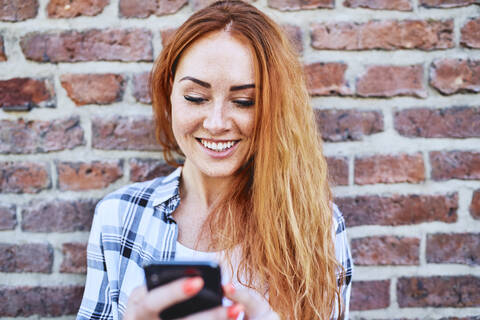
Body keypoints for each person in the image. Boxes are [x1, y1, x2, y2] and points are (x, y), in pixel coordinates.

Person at [76, 1, 353, 319]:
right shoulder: (120, 217)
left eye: (245, 101)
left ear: (274, 107)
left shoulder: (319, 226)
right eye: (195, 97)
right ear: (170, 94)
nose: (216, 122)